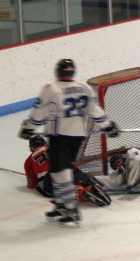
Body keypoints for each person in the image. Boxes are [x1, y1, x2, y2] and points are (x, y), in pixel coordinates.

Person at [18, 59, 119, 227]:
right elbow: (95, 111)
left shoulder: (51, 89)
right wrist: (108, 125)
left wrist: (28, 127)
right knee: (63, 170)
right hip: (78, 139)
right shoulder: (84, 88)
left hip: (60, 138)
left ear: (58, 72)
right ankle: (62, 203)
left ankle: (70, 208)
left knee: (59, 173)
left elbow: (38, 112)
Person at [24, 135, 112, 207]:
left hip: (50, 177)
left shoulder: (29, 160)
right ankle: (91, 187)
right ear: (45, 143)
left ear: (31, 148)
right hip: (69, 168)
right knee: (78, 179)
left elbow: (32, 184)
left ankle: (80, 192)